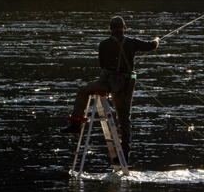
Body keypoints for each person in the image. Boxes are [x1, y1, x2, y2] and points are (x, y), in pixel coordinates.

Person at [60, 16, 159, 163]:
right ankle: (124, 155)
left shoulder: (104, 43)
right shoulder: (132, 42)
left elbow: (102, 64)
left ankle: (75, 125)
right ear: (124, 28)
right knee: (124, 117)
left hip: (105, 83)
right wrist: (157, 40)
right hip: (125, 85)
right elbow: (151, 46)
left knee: (82, 90)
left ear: (110, 29)